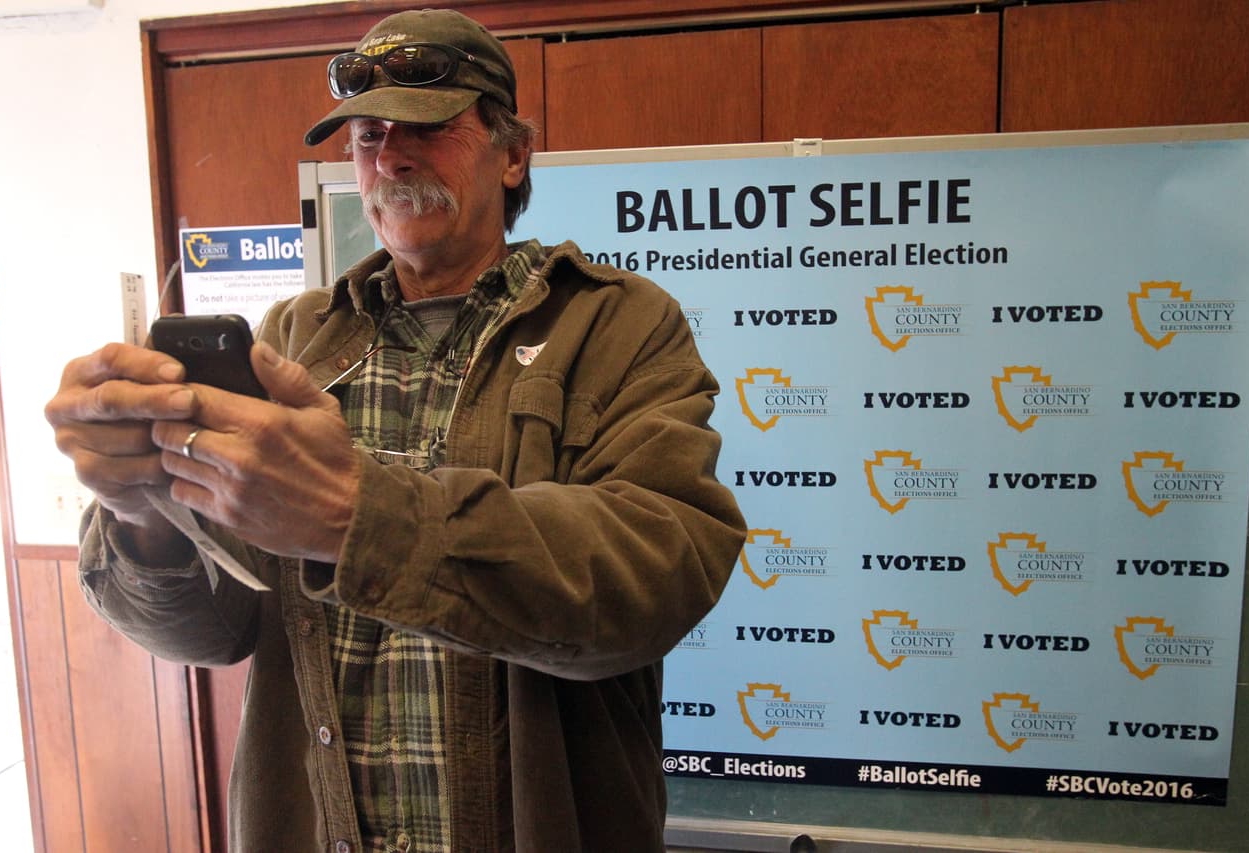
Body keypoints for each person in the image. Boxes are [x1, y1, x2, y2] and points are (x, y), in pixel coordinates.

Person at [45, 8, 745, 852]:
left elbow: (659, 571)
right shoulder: (293, 341)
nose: (392, 156)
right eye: (368, 136)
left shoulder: (619, 325)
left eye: (428, 127)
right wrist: (143, 515)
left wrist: (356, 516)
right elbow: (216, 630)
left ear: (513, 152)